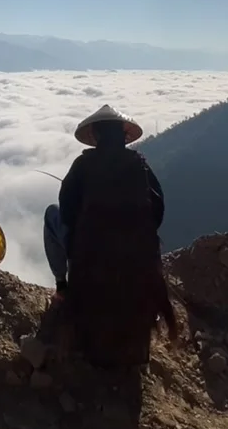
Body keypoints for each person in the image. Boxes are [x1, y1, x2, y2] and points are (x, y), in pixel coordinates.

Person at [43, 104, 165, 299]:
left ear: (96, 135)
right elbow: (158, 210)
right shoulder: (139, 164)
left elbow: (66, 211)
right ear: (123, 135)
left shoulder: (82, 164)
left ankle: (62, 287)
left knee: (52, 213)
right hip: (135, 248)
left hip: (89, 248)